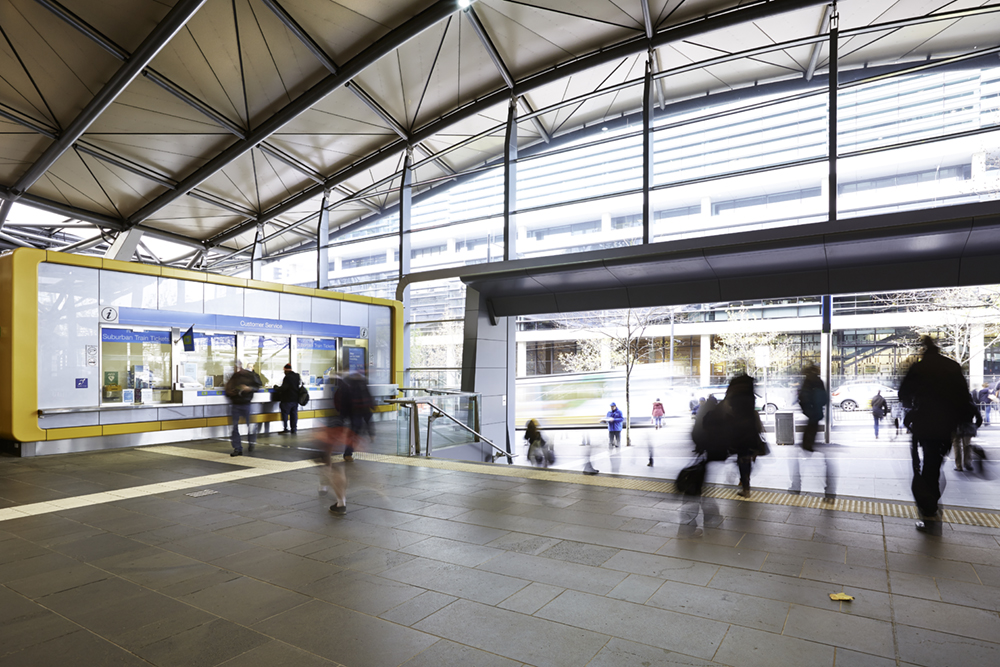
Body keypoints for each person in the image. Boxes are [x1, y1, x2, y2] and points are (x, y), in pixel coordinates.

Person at [899, 335, 979, 534]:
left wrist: (913, 406)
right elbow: (963, 395)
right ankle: (930, 504)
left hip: (924, 422)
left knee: (926, 463)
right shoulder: (952, 366)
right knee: (934, 463)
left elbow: (904, 394)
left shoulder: (919, 367)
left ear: (924, 349)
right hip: (946, 423)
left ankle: (929, 507)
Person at [790, 364, 835, 499]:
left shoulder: (808, 382)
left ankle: (796, 485)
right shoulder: (819, 381)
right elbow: (825, 399)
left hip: (811, 418)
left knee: (803, 452)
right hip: (816, 417)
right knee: (808, 449)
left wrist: (808, 411)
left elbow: (803, 398)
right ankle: (828, 489)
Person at [722, 374, 765, 498]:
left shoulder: (734, 391)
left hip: (737, 430)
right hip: (750, 430)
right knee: (746, 457)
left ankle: (745, 485)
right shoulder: (749, 391)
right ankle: (746, 481)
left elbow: (727, 408)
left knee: (741, 458)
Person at [225, 360, 261, 456]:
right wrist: (231, 392)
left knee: (250, 426)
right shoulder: (233, 377)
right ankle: (237, 448)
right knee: (234, 427)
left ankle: (251, 442)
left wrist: (249, 389)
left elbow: (257, 386)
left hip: (246, 403)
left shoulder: (250, 375)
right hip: (235, 404)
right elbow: (227, 390)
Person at [952, 399, 983, 472]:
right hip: (968, 427)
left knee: (956, 445)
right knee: (967, 445)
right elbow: (979, 418)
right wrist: (975, 426)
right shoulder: (971, 404)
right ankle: (967, 463)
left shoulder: (955, 403)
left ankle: (959, 465)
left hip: (956, 427)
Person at [276, 363, 301, 434]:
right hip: (295, 399)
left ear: (286, 370)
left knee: (285, 414)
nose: (284, 372)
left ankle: (285, 428)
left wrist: (276, 388)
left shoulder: (287, 377)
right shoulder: (297, 376)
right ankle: (294, 429)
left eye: (284, 370)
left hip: (287, 399)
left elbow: (284, 388)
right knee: (294, 414)